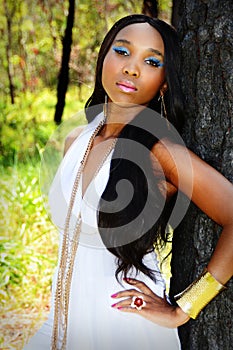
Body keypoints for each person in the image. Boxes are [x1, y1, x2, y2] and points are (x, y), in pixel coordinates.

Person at [24, 14, 233, 350]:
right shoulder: (76, 139)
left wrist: (183, 309)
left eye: (151, 61)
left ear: (165, 82)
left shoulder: (159, 151)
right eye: (122, 51)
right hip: (62, 324)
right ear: (104, 57)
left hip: (125, 328)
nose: (132, 68)